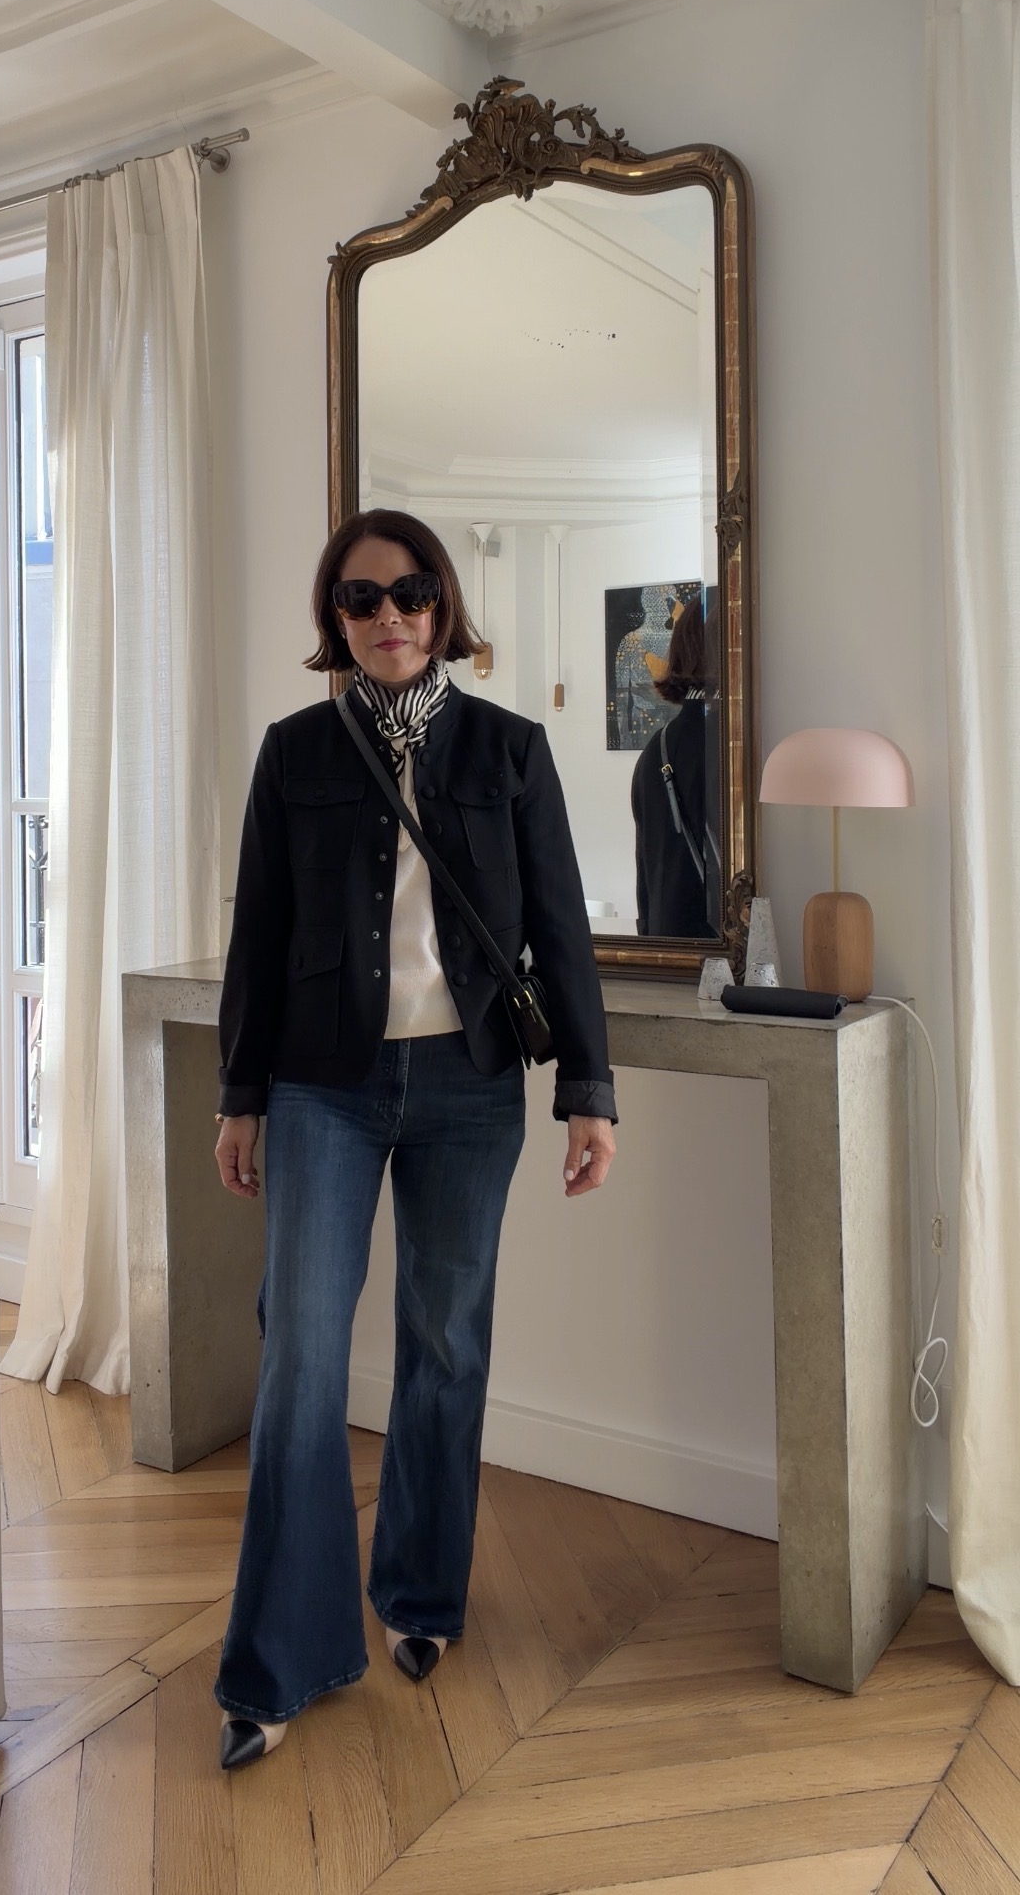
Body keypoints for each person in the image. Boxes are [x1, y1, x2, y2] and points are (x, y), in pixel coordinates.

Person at [211, 507, 617, 1771]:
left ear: (444, 606)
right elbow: (258, 937)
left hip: (468, 1086)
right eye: (360, 597)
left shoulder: (507, 749)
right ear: (332, 619)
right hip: (322, 1086)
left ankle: (423, 1598)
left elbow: (559, 923)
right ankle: (282, 1659)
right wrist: (241, 1093)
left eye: (412, 594)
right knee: (301, 1360)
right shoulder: (292, 754)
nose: (389, 616)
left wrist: (590, 1088)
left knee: (445, 1344)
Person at [630, 596, 721, 938]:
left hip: (667, 948)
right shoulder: (735, 745)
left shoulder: (655, 751)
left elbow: (646, 873)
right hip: (727, 953)